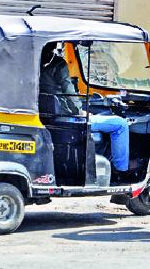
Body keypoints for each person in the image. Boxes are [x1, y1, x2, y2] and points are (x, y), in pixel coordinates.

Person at [39, 42, 130, 182]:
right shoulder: (58, 64)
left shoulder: (36, 63)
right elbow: (69, 92)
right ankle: (121, 172)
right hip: (66, 117)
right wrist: (80, 111)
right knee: (121, 124)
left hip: (48, 116)